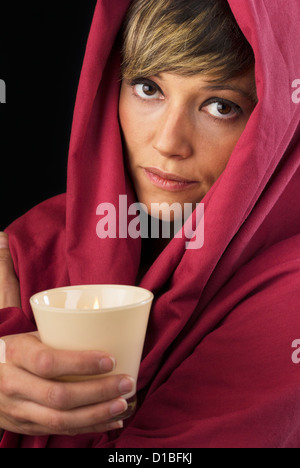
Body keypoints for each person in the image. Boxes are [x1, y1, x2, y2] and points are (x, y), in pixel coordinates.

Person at [0, 0, 300, 448]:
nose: (168, 142)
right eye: (147, 88)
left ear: (279, 122)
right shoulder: (36, 238)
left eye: (221, 106)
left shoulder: (291, 289)